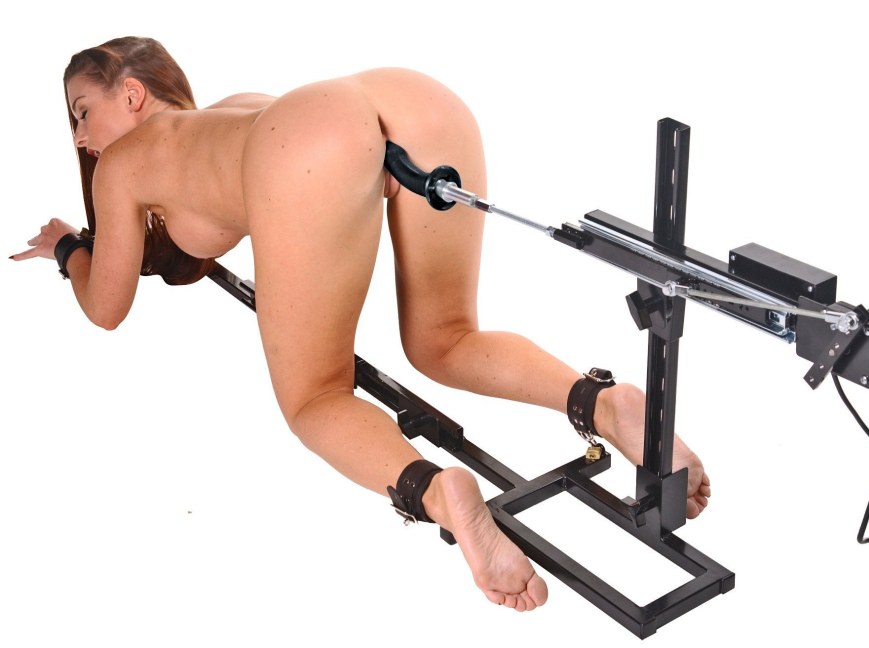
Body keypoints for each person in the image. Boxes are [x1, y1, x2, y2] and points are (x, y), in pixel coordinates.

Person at [12, 36, 711, 613]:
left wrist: (70, 247)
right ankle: (604, 402)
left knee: (316, 397)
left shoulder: (125, 165)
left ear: (132, 94)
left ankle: (440, 493)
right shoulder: (231, 111)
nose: (80, 136)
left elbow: (105, 308)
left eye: (82, 111)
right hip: (404, 97)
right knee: (446, 338)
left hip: (311, 140)